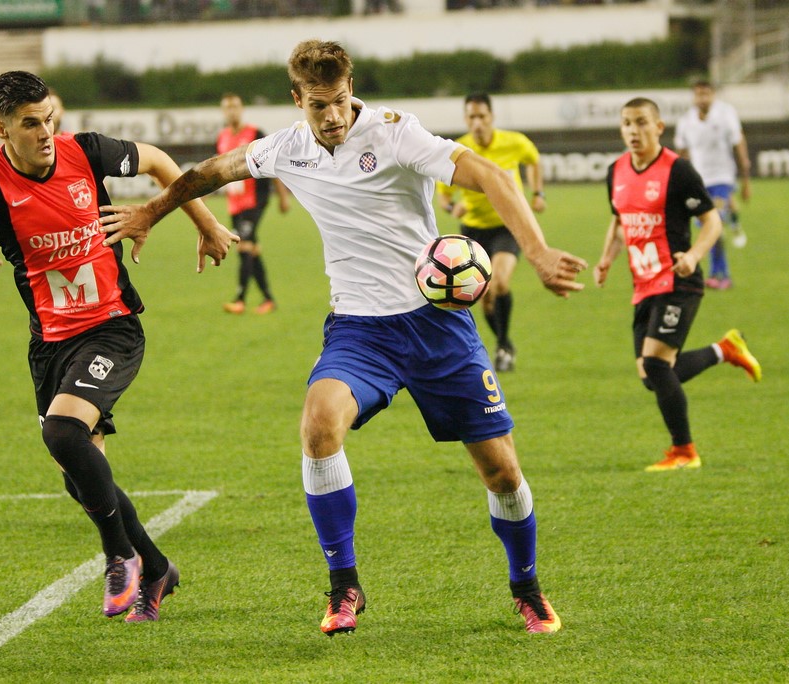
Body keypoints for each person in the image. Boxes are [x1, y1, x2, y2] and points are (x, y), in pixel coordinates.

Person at [101, 39, 587, 636]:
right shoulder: (287, 147)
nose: (331, 117)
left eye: (339, 101)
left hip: (437, 326)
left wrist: (535, 252)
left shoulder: (394, 132)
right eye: (317, 106)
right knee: (318, 425)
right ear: (296, 100)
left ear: (350, 89)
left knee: (502, 474)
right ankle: (344, 587)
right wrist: (154, 211)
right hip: (360, 330)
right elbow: (208, 172)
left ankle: (527, 587)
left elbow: (487, 173)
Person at [0, 71, 236, 622]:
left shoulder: (88, 152)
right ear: (1, 128)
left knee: (62, 431)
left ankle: (118, 554)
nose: (45, 132)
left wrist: (206, 221)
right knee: (81, 476)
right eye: (31, 124)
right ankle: (155, 567)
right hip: (50, 344)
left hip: (112, 327)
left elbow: (161, 164)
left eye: (49, 118)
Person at [594, 97, 762, 472]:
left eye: (640, 123)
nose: (633, 131)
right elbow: (619, 221)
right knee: (651, 376)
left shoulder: (678, 170)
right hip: (643, 285)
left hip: (678, 280)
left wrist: (693, 256)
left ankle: (684, 451)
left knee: (655, 364)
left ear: (658, 127)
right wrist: (606, 258)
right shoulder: (616, 171)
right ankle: (725, 350)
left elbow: (713, 221)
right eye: (626, 124)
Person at [436, 93, 545, 372]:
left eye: (482, 116)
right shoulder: (459, 150)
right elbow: (444, 195)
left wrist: (538, 193)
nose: (477, 122)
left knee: (500, 284)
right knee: (484, 296)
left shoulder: (515, 142)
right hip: (474, 230)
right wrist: (452, 209)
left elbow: (533, 160)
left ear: (491, 117)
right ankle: (504, 344)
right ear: (466, 120)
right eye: (472, 117)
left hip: (508, 226)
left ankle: (503, 345)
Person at [673, 79, 751, 289]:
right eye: (699, 94)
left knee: (714, 226)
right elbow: (681, 152)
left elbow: (738, 142)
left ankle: (721, 275)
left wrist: (746, 179)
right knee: (708, 226)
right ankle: (734, 219)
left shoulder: (726, 114)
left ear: (713, 95)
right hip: (699, 181)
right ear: (694, 97)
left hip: (722, 178)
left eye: (706, 94)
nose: (702, 98)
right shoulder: (686, 121)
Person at [217, 92, 291, 315]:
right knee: (252, 249)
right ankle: (268, 299)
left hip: (256, 199)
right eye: (228, 108)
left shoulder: (255, 134)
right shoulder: (221, 138)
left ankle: (240, 299)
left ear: (242, 109)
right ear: (223, 111)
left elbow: (273, 165)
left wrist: (283, 197)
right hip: (235, 203)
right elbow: (218, 171)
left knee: (244, 246)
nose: (232, 111)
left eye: (236, 107)